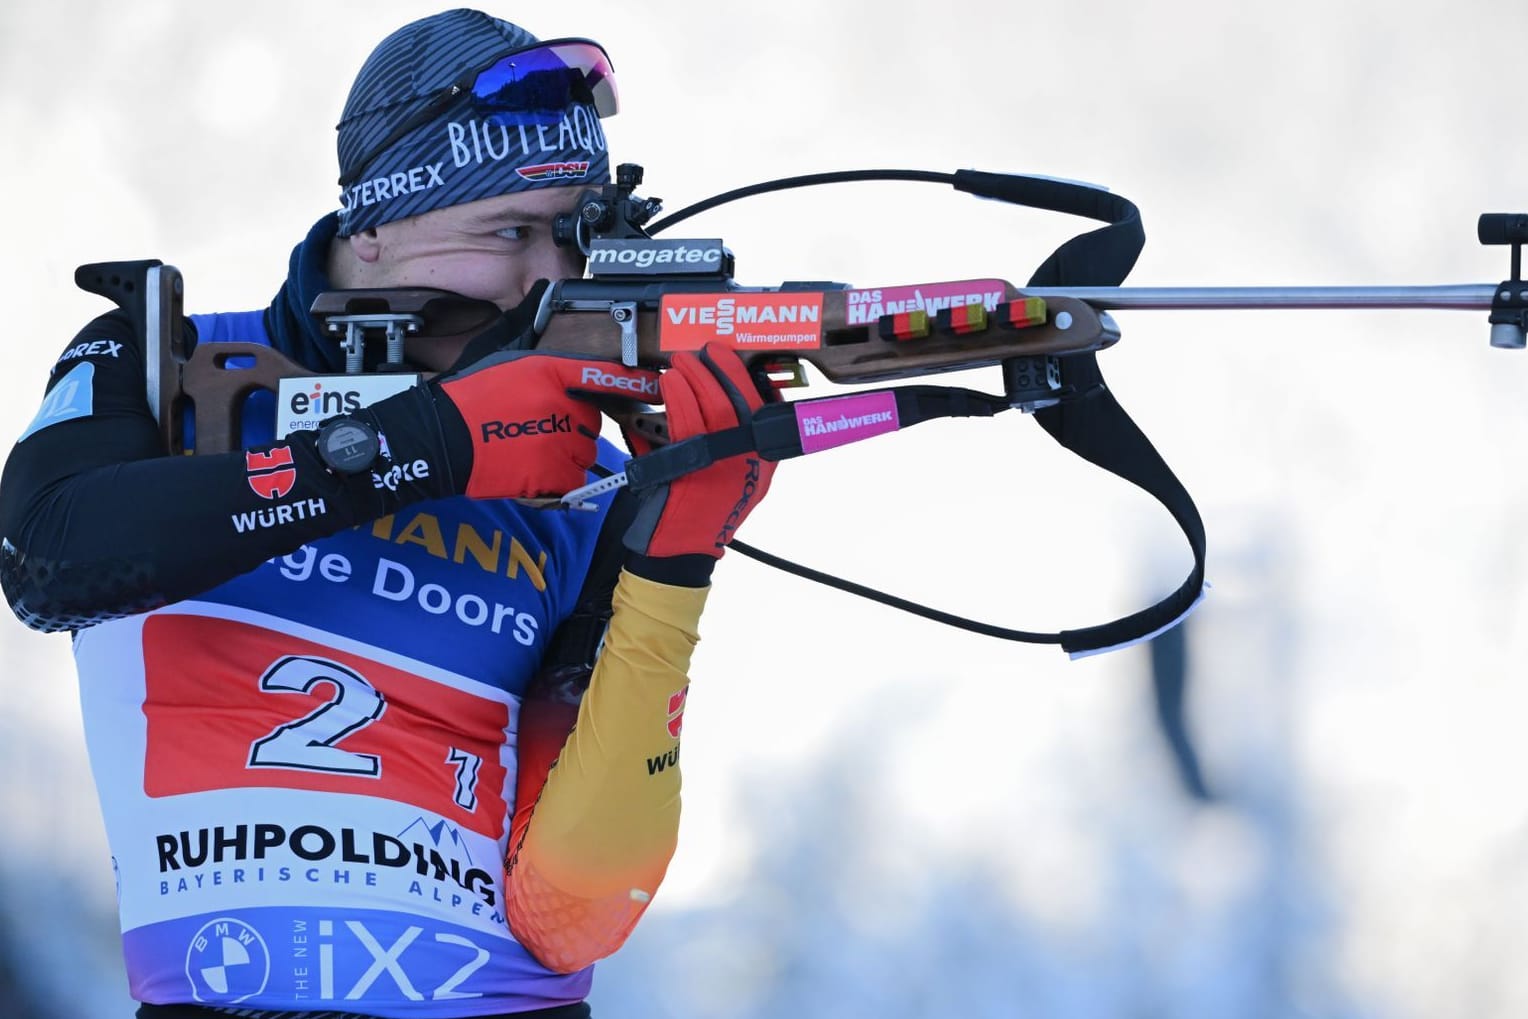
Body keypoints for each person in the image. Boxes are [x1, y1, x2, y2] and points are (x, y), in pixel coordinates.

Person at [0, 9, 776, 1018]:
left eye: (570, 234)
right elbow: (48, 552)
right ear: (371, 228)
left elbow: (576, 910)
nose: (546, 277)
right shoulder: (165, 362)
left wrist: (672, 560)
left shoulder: (585, 471)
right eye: (508, 231)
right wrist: (429, 443)